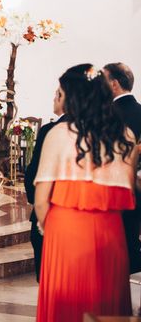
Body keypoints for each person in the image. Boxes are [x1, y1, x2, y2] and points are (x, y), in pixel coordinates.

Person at [35, 64, 138, 321]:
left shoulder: (59, 134)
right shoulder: (124, 135)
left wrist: (49, 227)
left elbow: (41, 200)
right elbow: (128, 187)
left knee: (66, 301)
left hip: (65, 230)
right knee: (106, 300)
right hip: (110, 231)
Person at [24, 86, 66, 282]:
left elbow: (34, 171)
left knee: (49, 277)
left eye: (56, 94)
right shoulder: (96, 130)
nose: (53, 98)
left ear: (64, 99)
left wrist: (34, 199)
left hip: (52, 210)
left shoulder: (51, 130)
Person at [103, 62, 141, 273]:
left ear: (114, 84)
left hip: (110, 192)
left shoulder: (104, 115)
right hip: (137, 190)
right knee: (132, 242)